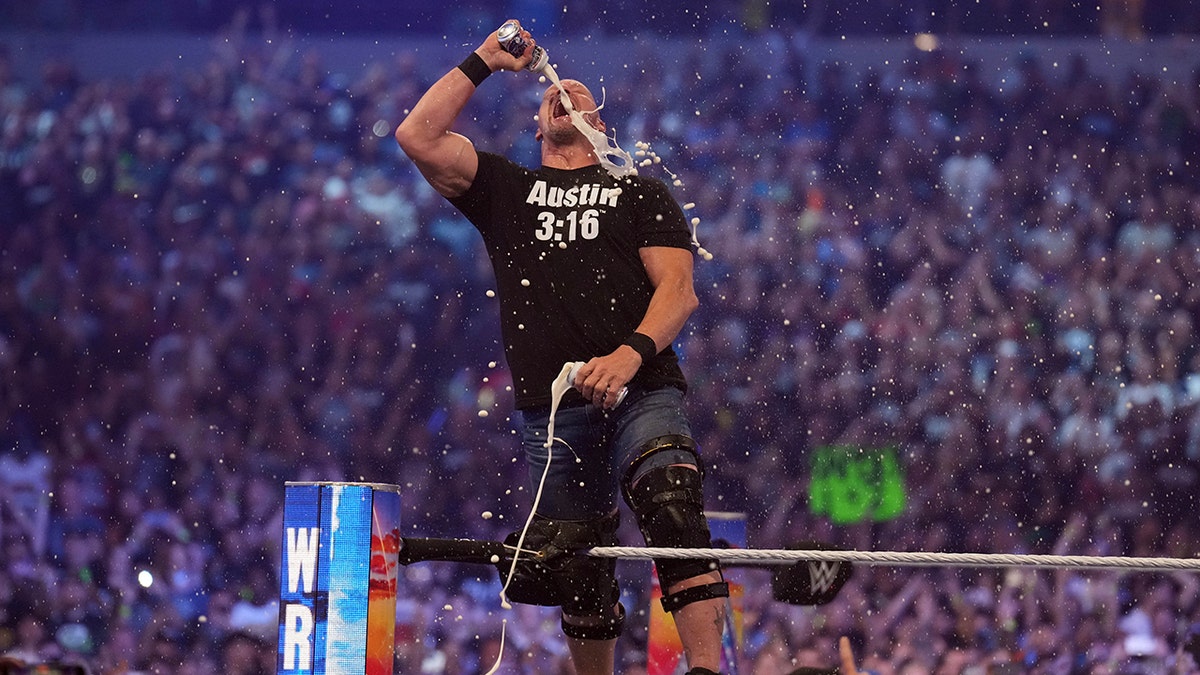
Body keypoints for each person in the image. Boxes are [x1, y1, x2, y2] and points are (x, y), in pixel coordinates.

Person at [395, 19, 729, 675]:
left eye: (582, 95)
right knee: (578, 559)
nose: (566, 95)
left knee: (669, 497)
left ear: (600, 123)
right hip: (554, 408)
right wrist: (486, 59)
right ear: (538, 126)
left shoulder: (639, 191)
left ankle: (710, 669)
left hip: (643, 386)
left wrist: (629, 354)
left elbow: (680, 291)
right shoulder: (510, 191)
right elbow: (417, 137)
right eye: (556, 94)